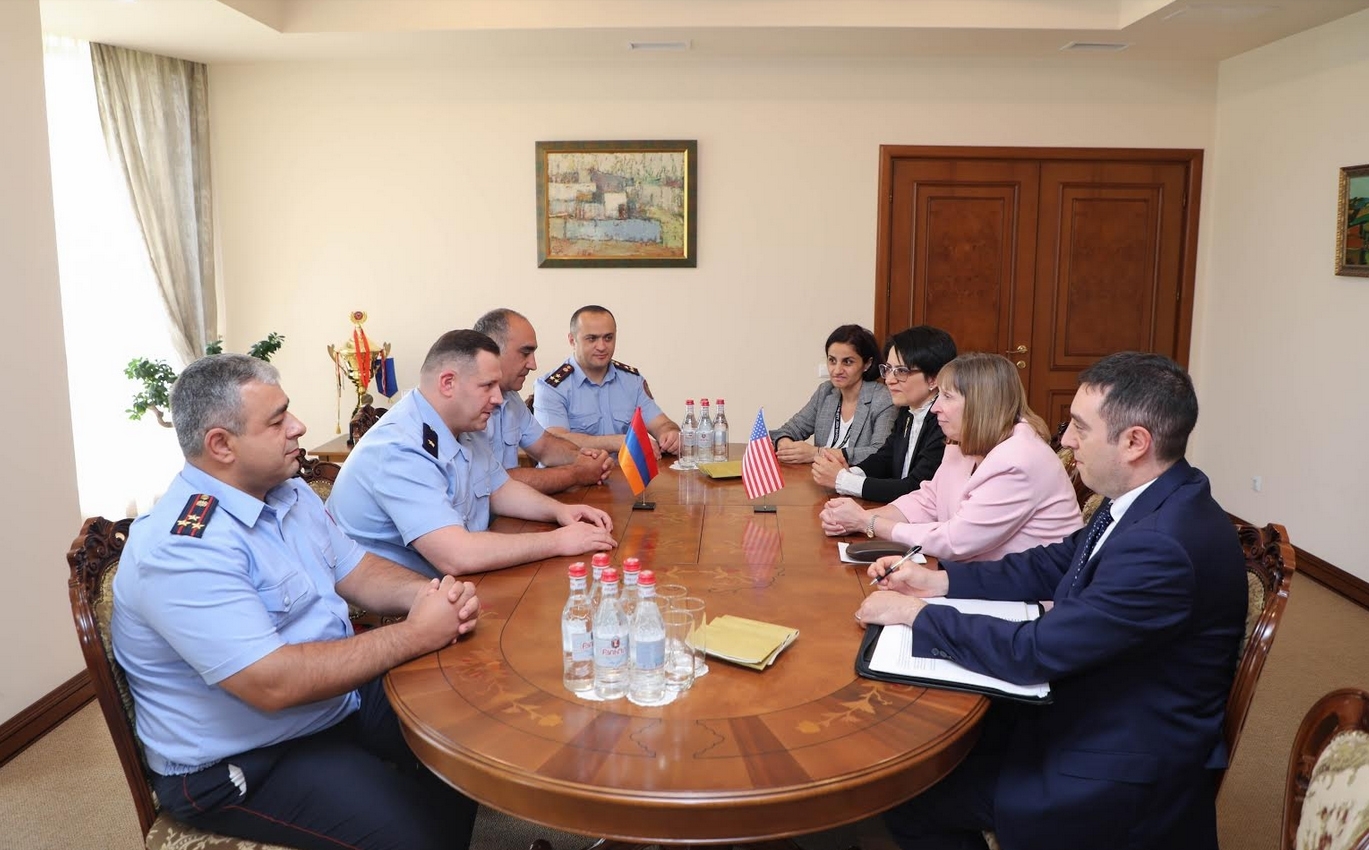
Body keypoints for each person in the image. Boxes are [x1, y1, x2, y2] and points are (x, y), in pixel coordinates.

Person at [856, 352, 1247, 850]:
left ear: (1135, 442)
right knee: (929, 740)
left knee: (911, 794)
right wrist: (940, 583)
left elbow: (1035, 652)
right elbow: (1053, 563)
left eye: (1080, 428)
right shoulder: (1151, 495)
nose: (1064, 441)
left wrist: (917, 615)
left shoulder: (1162, 546)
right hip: (1093, 699)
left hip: (1117, 763)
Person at [111, 354, 481, 850]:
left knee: (464, 732)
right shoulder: (182, 549)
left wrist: (431, 596)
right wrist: (416, 633)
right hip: (248, 757)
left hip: (329, 702)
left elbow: (357, 570)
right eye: (277, 420)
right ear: (221, 445)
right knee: (416, 837)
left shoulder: (287, 492)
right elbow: (273, 683)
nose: (298, 426)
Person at [328, 329, 617, 578]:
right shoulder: (400, 449)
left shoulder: (462, 424)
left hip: (452, 582)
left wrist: (560, 512)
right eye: (487, 386)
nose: (498, 398)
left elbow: (500, 489)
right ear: (448, 383)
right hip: (396, 603)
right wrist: (558, 541)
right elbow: (456, 555)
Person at [821, 352, 1080, 562]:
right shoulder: (963, 442)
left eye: (946, 397)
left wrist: (869, 522)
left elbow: (956, 541)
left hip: (1026, 598)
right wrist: (856, 518)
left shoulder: (1018, 460)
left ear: (980, 404)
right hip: (978, 579)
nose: (935, 408)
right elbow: (929, 499)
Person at [472, 307, 613, 494]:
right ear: (493, 351)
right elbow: (493, 481)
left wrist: (585, 458)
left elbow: (546, 447)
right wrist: (576, 473)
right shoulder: (468, 403)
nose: (533, 364)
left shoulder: (511, 398)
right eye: (525, 353)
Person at [812, 325, 956, 502]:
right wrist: (849, 472)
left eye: (901, 371)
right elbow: (885, 458)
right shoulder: (908, 410)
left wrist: (842, 480)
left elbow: (915, 488)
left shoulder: (946, 421)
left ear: (934, 379)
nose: (889, 380)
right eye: (888, 369)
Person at [533, 305, 682, 456]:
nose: (602, 347)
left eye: (608, 338)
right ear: (572, 340)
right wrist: (617, 442)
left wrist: (670, 434)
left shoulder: (632, 381)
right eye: (592, 339)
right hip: (574, 471)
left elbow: (661, 424)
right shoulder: (550, 387)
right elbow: (554, 442)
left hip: (624, 470)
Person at [771, 324, 894, 466]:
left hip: (857, 478)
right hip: (820, 476)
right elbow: (789, 430)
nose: (837, 370)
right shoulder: (826, 391)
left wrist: (818, 453)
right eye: (832, 360)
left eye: (847, 362)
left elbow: (879, 453)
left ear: (867, 364)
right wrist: (785, 444)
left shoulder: (883, 399)